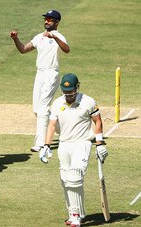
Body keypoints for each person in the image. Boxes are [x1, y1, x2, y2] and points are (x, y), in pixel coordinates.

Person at [39, 73, 109, 227]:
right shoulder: (57, 103)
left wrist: (100, 143)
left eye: (71, 92)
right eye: (66, 93)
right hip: (64, 144)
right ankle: (75, 212)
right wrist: (46, 145)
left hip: (82, 143)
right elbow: (51, 125)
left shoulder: (88, 102)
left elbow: (97, 121)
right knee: (65, 179)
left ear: (77, 87)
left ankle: (76, 216)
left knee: (75, 177)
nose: (69, 95)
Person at [9, 10, 70, 152]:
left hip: (51, 73)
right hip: (40, 74)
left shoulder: (59, 36)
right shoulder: (39, 37)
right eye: (46, 19)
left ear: (56, 22)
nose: (46, 22)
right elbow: (23, 49)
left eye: (49, 19)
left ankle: (41, 143)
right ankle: (66, 132)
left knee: (43, 109)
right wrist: (15, 39)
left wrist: (54, 37)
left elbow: (66, 49)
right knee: (37, 110)